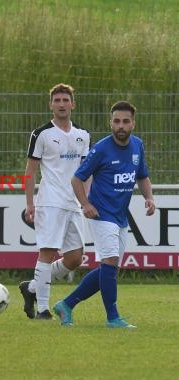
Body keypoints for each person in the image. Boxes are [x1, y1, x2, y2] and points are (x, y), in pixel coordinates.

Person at [53, 101, 155, 328]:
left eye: (125, 121)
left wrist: (149, 197)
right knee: (108, 262)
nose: (121, 125)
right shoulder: (100, 148)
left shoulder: (137, 145)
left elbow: (142, 176)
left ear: (133, 124)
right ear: (110, 122)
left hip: (120, 216)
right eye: (116, 121)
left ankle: (66, 304)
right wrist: (85, 204)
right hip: (101, 214)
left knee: (108, 270)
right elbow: (77, 178)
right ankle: (113, 318)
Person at [19, 83, 91, 319]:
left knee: (74, 258)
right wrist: (30, 203)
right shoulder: (41, 134)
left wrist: (86, 200)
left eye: (65, 100)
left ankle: (31, 288)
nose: (61, 104)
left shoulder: (83, 135)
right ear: (51, 104)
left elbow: (85, 171)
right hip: (50, 201)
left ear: (73, 104)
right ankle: (42, 309)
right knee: (47, 252)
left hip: (73, 204)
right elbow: (30, 170)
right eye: (57, 100)